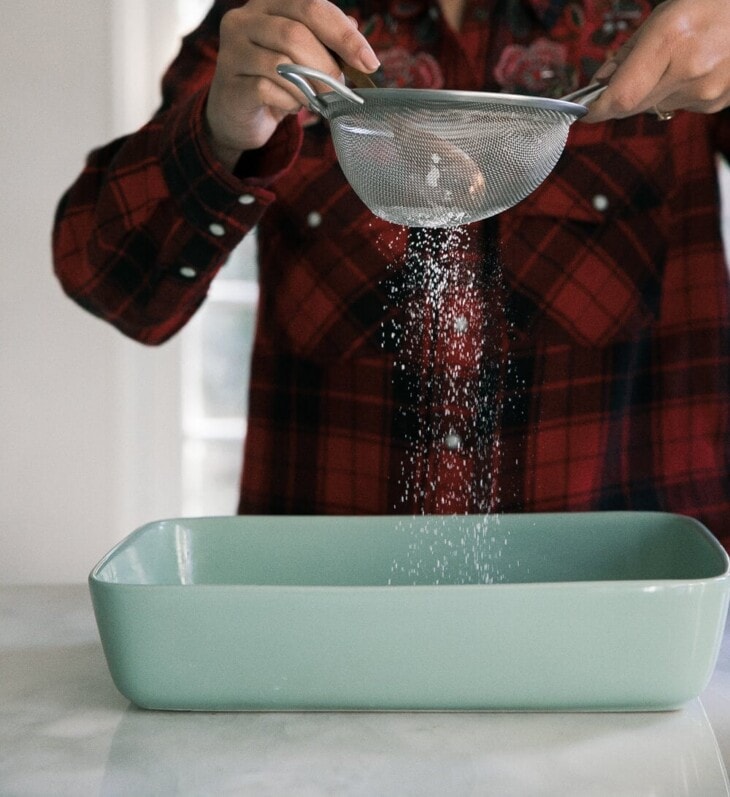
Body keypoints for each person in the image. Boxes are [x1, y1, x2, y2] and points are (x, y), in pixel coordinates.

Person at [53, 0, 730, 548]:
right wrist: (220, 129)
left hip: (632, 599)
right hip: (332, 613)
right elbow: (110, 281)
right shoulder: (280, 21)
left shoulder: (674, 14)